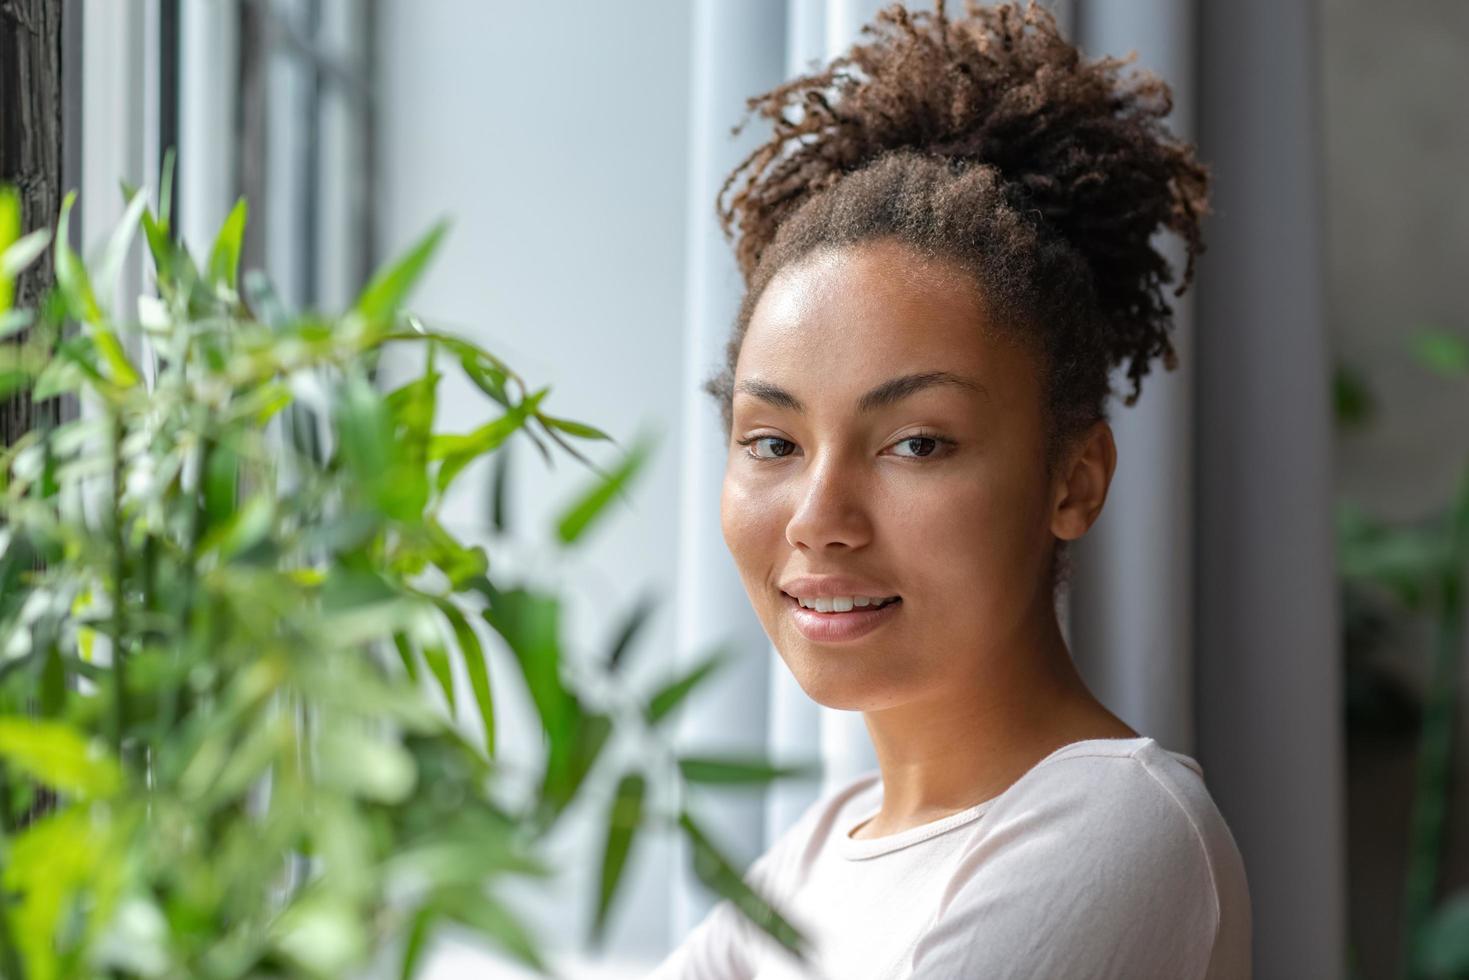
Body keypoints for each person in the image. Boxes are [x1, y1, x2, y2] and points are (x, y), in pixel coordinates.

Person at [649, 1, 1250, 977]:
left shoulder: (1119, 827)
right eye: (770, 441)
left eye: (916, 442)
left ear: (1072, 479)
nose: (817, 518)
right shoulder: (816, 851)